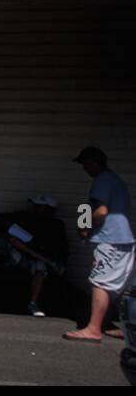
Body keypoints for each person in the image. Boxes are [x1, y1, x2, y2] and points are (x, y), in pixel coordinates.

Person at [64, 146, 133, 342]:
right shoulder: (115, 180)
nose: (84, 169)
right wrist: (83, 219)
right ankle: (120, 326)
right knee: (118, 285)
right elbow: (87, 207)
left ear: (95, 162)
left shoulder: (102, 180)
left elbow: (101, 211)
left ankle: (93, 329)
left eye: (85, 164)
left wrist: (84, 227)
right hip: (124, 240)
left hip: (110, 240)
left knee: (99, 283)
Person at [0, 194, 68, 317]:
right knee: (14, 242)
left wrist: (35, 245)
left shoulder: (56, 226)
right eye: (35, 206)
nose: (35, 208)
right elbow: (0, 220)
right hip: (26, 258)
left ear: (48, 209)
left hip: (45, 261)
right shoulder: (28, 219)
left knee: (40, 266)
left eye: (39, 206)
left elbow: (56, 249)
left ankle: (33, 303)